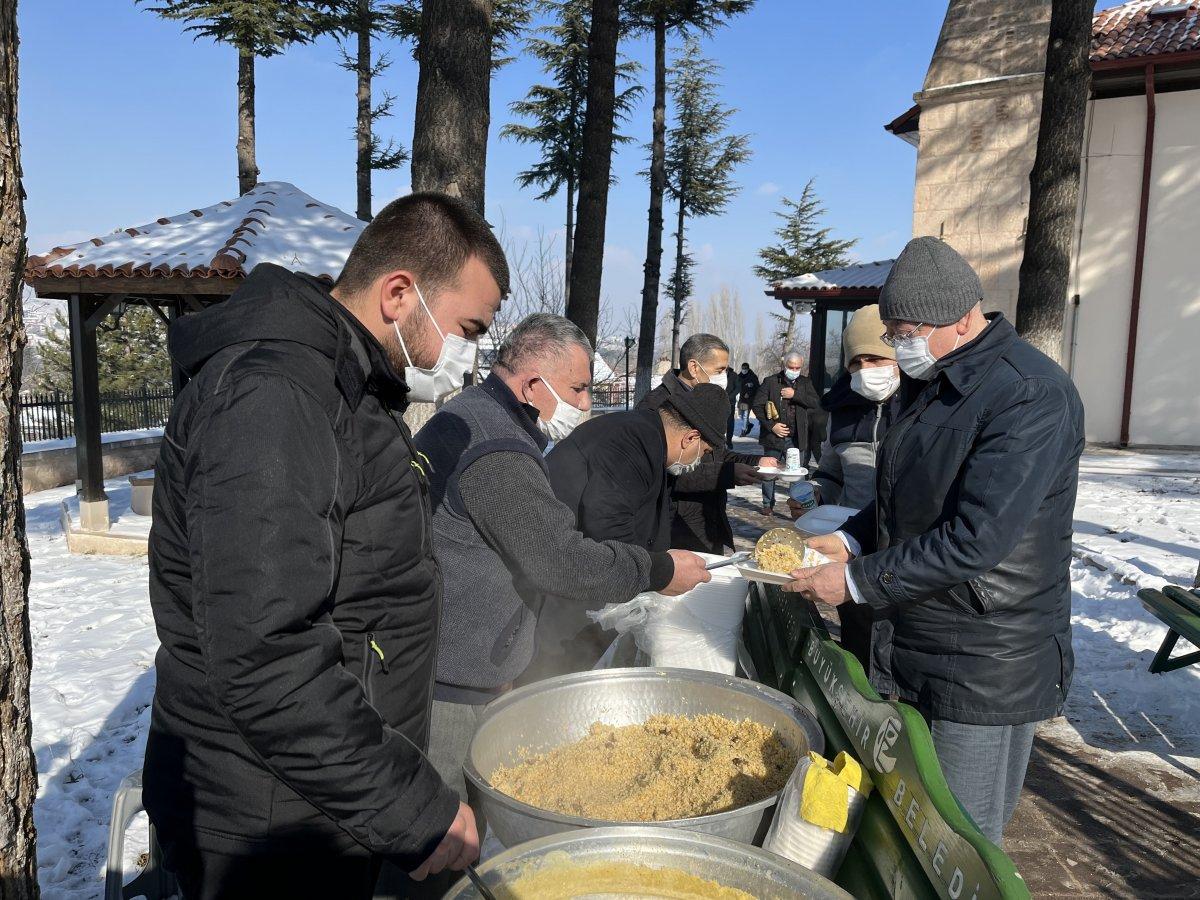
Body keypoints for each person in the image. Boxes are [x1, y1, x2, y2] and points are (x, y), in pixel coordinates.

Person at [143, 194, 506, 899]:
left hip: (318, 794)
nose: (467, 355)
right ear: (400, 293)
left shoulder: (344, 386)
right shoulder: (274, 395)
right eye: (467, 329)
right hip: (265, 819)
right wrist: (412, 808)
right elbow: (263, 654)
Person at [786, 236, 1084, 844]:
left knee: (959, 840)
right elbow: (907, 499)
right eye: (893, 333)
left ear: (962, 317)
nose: (900, 345)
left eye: (906, 331)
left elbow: (976, 538)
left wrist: (854, 582)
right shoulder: (934, 380)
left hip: (983, 651)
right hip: (919, 627)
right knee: (913, 825)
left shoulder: (1029, 394)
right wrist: (849, 538)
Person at [413, 313, 711, 801]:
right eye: (577, 389)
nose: (586, 404)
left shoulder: (474, 413)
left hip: (460, 662)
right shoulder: (497, 449)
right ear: (533, 384)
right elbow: (560, 560)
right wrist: (659, 570)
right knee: (445, 832)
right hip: (450, 683)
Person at [529, 385, 729, 677]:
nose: (699, 461)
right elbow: (607, 525)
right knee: (554, 675)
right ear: (690, 438)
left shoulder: (646, 437)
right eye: (705, 452)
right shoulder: (633, 441)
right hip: (561, 583)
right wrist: (660, 572)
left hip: (583, 578)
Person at [791, 304, 902, 693]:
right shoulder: (841, 412)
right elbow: (831, 472)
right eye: (856, 362)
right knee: (857, 645)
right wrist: (814, 493)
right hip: (850, 548)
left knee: (894, 655)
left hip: (901, 554)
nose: (865, 370)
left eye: (875, 358)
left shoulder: (918, 409)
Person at [637, 334, 771, 554]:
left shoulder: (706, 401)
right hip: (675, 526)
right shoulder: (658, 406)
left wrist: (756, 461)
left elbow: (717, 454)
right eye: (719, 370)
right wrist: (727, 474)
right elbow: (665, 469)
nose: (724, 377)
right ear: (694, 367)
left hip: (710, 517)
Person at [752, 351, 824, 517]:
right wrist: (772, 426)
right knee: (769, 472)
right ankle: (767, 504)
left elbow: (816, 402)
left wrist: (795, 395)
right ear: (785, 365)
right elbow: (757, 405)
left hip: (797, 437)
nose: (794, 369)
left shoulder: (805, 383)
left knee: (796, 474)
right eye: (791, 367)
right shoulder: (770, 382)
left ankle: (799, 506)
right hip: (774, 437)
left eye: (797, 367)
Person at [737, 362, 760, 436]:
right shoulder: (739, 376)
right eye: (743, 368)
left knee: (745, 415)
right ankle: (749, 425)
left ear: (748, 368)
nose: (744, 370)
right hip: (741, 399)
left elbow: (757, 388)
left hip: (749, 399)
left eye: (745, 368)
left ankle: (743, 431)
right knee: (740, 415)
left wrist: (749, 393)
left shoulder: (753, 377)